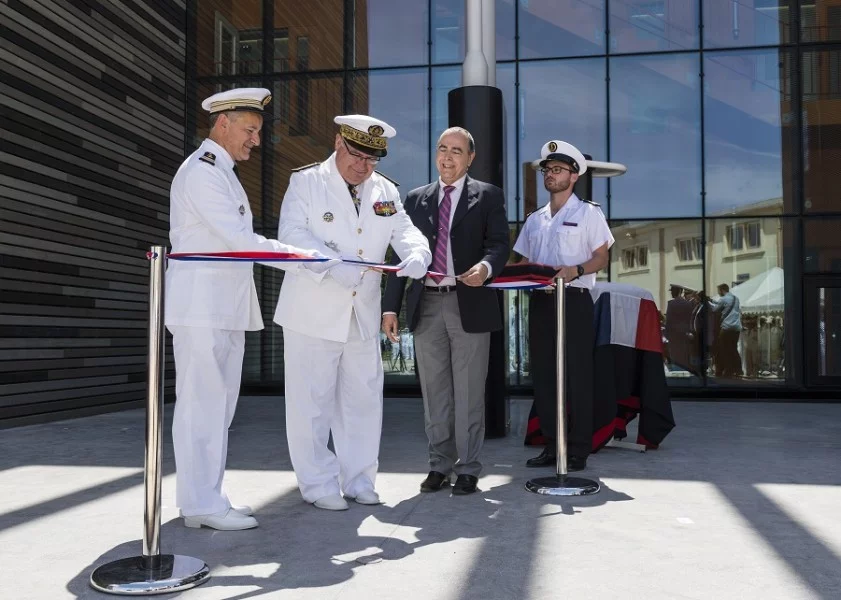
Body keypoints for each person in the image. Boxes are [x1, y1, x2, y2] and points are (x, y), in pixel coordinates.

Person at [165, 88, 323, 530]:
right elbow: (240, 242)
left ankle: (207, 498)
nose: (256, 140)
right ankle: (199, 504)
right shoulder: (203, 172)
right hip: (202, 308)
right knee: (202, 405)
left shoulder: (223, 172)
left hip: (220, 307)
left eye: (257, 131)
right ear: (223, 124)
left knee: (218, 407)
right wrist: (302, 257)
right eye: (250, 130)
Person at [273, 115, 431, 511]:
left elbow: (404, 230)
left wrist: (418, 252)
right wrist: (331, 263)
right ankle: (317, 483)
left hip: (361, 313)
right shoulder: (307, 181)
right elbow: (291, 235)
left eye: (372, 159)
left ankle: (359, 480)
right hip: (313, 309)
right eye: (357, 155)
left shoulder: (384, 190)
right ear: (338, 143)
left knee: (362, 401)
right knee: (311, 403)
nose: (363, 166)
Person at [381, 127, 509, 496]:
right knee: (435, 393)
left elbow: (499, 244)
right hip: (427, 305)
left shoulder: (487, 196)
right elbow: (400, 256)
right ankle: (439, 465)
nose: (447, 157)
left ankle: (468, 468)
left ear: (470, 158)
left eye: (456, 151)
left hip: (468, 302)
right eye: (442, 149)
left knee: (469, 392)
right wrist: (390, 308)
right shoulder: (417, 199)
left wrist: (485, 269)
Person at [512, 140, 613, 472]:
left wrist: (577, 270)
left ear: (573, 176)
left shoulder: (588, 213)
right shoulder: (535, 219)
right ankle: (552, 446)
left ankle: (579, 448)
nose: (550, 175)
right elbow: (525, 260)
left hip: (574, 301)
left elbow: (601, 256)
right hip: (541, 302)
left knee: (577, 376)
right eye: (547, 170)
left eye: (557, 170)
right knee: (543, 376)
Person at [710, 283, 742, 377]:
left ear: (722, 290)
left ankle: (729, 370)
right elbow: (723, 304)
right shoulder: (736, 298)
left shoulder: (723, 299)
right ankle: (739, 369)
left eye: (718, 291)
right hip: (736, 328)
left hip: (726, 328)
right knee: (733, 348)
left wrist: (708, 302)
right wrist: (712, 300)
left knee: (725, 350)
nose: (718, 293)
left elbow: (715, 309)